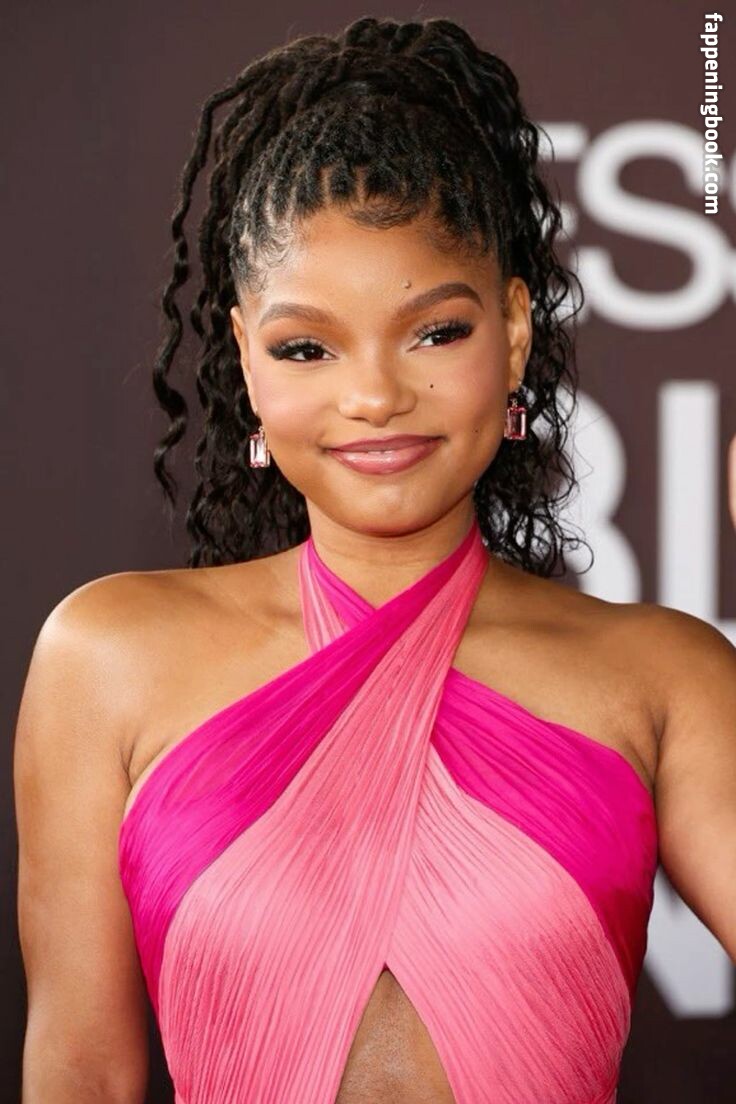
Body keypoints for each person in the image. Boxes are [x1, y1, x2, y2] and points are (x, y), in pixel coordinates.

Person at [15, 14, 736, 1104]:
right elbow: (80, 1071)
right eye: (306, 346)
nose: (373, 396)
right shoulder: (106, 657)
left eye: (435, 332)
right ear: (246, 359)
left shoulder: (664, 677)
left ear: (514, 330)